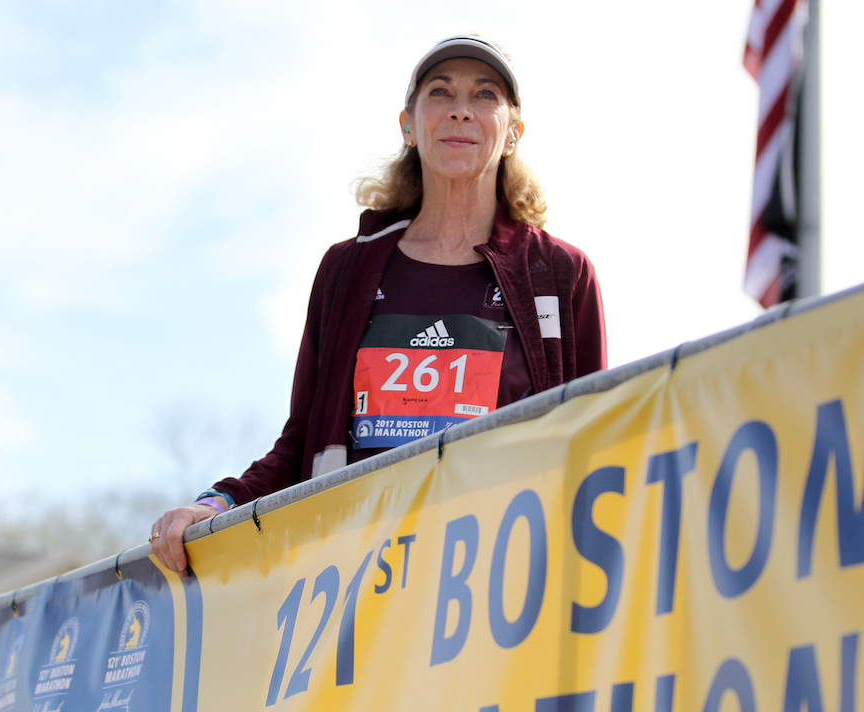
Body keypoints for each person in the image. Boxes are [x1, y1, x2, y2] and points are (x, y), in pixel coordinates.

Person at [150, 35, 607, 576]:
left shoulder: (559, 274)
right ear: (409, 126)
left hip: (503, 588)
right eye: (440, 92)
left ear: (512, 133)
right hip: (364, 591)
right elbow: (301, 447)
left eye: (485, 95)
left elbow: (593, 443)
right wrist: (215, 504)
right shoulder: (348, 271)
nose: (461, 108)